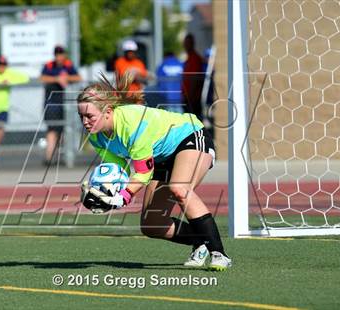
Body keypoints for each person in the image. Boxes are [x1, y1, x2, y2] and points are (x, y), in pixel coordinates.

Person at [79, 73, 231, 271]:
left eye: (89, 116)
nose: (84, 122)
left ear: (107, 111)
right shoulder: (96, 138)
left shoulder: (131, 122)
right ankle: (200, 242)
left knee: (179, 189)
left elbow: (142, 172)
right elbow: (121, 172)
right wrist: (107, 194)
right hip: (161, 157)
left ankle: (219, 254)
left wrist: (122, 198)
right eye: (81, 116)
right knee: (152, 224)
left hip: (190, 136)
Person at [40, 45, 81, 165]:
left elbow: (78, 77)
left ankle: (60, 156)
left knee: (63, 131)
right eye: (57, 54)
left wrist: (66, 77)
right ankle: (49, 157)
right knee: (52, 129)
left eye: (61, 54)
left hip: (65, 104)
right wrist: (56, 79)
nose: (59, 57)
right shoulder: (49, 66)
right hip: (52, 103)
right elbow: (42, 78)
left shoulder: (68, 65)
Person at [182, 34, 204, 121]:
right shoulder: (189, 59)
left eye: (188, 43)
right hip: (187, 97)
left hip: (193, 98)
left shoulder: (195, 59)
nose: (186, 45)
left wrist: (190, 97)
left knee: (194, 122)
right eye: (185, 43)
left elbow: (194, 79)